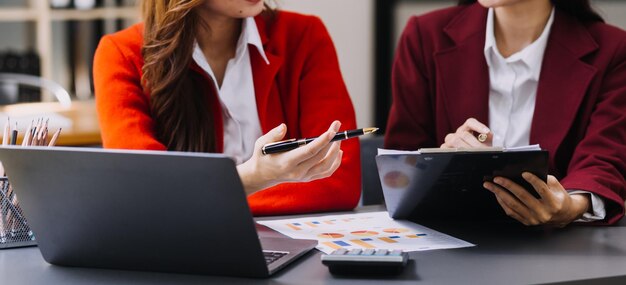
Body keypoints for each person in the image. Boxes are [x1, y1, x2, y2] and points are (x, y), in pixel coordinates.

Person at [93, 0, 361, 215]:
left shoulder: (304, 36)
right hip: (180, 256)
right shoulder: (121, 53)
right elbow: (141, 191)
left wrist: (191, 200)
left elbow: (338, 181)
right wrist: (254, 178)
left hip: (292, 256)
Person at [386, 0, 626, 226]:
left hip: (559, 251)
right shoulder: (425, 36)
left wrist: (571, 205)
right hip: (449, 243)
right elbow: (399, 163)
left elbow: (604, 161)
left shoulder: (613, 50)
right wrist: (439, 163)